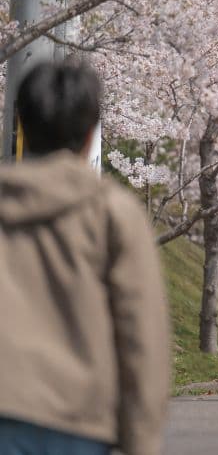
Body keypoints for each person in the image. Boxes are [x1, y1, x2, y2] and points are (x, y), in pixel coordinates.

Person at [0, 61, 170, 455]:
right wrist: (142, 440)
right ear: (91, 131)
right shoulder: (112, 212)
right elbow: (140, 331)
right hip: (77, 420)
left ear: (21, 121)